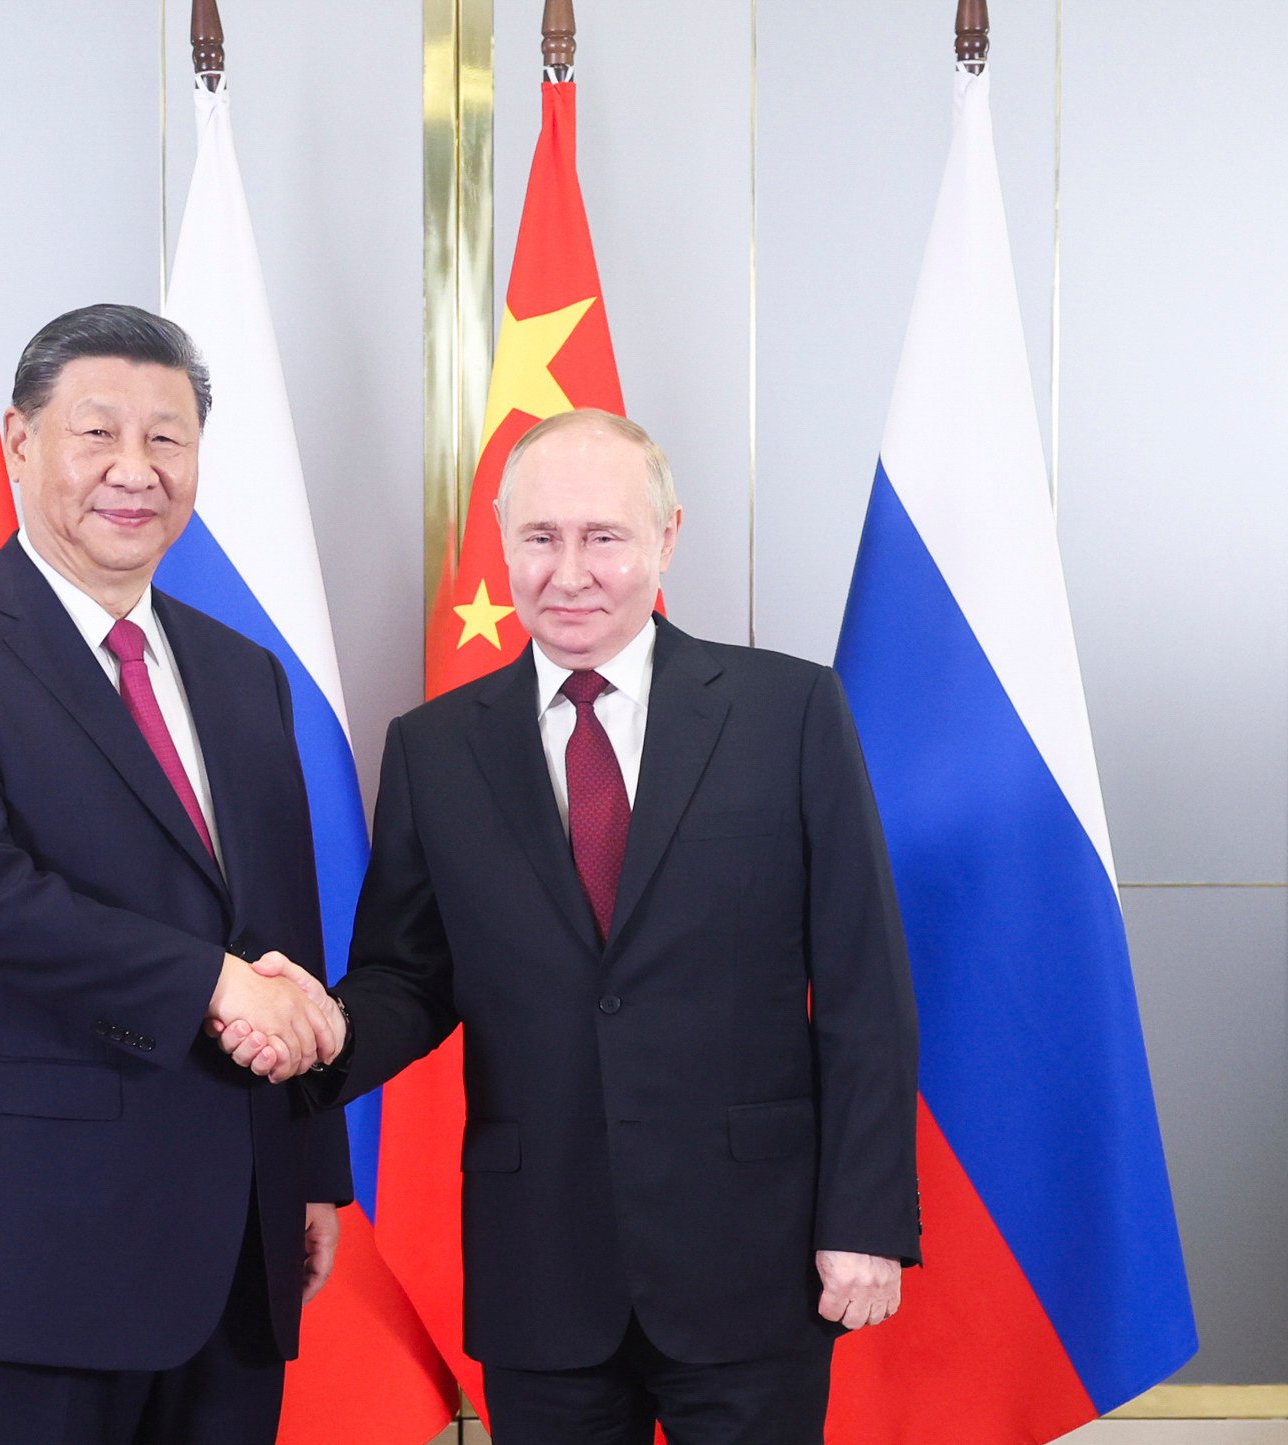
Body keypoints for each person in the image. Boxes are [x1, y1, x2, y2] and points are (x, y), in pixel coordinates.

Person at [222, 408, 920, 1444]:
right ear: (503, 544)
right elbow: (407, 979)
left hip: (751, 1257)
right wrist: (308, 1031)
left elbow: (865, 988)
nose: (569, 571)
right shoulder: (433, 748)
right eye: (540, 538)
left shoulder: (790, 713)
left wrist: (862, 1218)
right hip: (538, 1265)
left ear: (666, 538)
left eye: (603, 537)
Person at [0, 303, 351, 1445]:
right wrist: (217, 986)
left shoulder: (240, 673)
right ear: (20, 443)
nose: (136, 470)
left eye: (167, 439)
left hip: (236, 1237)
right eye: (98, 434)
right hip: (33, 1246)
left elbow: (284, 932)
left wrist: (309, 1162)